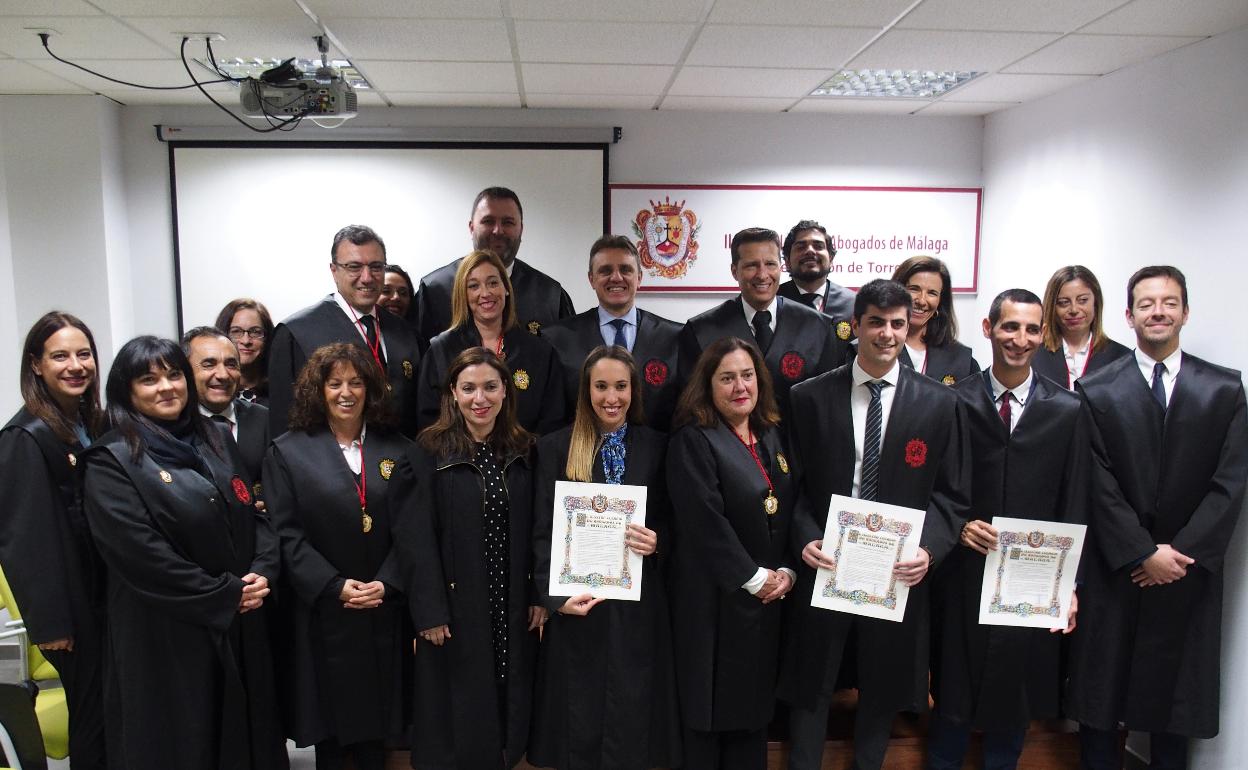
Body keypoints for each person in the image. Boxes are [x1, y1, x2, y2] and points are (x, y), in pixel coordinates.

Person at [780, 279, 968, 770]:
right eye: (876, 323)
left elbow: (952, 495)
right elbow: (792, 489)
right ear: (855, 326)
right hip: (827, 564)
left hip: (896, 573)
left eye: (897, 324)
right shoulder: (809, 397)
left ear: (910, 328)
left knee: (881, 689)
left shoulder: (940, 403)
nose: (887, 334)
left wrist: (929, 549)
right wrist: (804, 538)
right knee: (811, 688)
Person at [1068, 266, 1248, 770]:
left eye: (1169, 302)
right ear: (1129, 316)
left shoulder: (1223, 389)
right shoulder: (1097, 390)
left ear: (1185, 312)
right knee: (1101, 706)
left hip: (1185, 575)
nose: (1158, 311)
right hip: (1118, 570)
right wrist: (1142, 551)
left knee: (1174, 710)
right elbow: (1096, 482)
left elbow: (1229, 483)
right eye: (1146, 304)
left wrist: (1176, 556)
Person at [81, 336, 287, 770]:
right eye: (149, 379)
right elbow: (142, 554)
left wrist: (263, 570)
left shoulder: (212, 436)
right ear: (127, 391)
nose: (167, 387)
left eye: (174, 374)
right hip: (166, 634)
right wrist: (224, 593)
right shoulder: (110, 460)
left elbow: (253, 509)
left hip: (238, 618)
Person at [928, 289, 1089, 769]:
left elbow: (1075, 498)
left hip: (1031, 574)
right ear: (989, 329)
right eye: (1010, 327)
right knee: (953, 697)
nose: (1020, 339)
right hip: (964, 571)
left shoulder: (1067, 410)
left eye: (1031, 329)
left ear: (1043, 335)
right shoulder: (954, 401)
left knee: (1014, 702)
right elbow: (931, 486)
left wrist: (1071, 585)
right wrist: (955, 529)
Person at [529, 346, 682, 770]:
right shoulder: (557, 447)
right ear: (586, 390)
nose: (610, 397)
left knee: (634, 711)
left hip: (640, 602)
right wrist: (554, 598)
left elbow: (678, 521)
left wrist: (659, 541)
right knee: (580, 716)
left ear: (634, 390)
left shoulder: (658, 446)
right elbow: (542, 530)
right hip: (578, 603)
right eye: (601, 386)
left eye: (620, 386)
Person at [394, 347, 544, 769]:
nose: (481, 398)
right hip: (454, 603)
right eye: (469, 388)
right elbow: (414, 537)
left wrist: (537, 593)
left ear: (505, 392)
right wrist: (428, 609)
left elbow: (539, 528)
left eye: (490, 387)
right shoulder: (427, 453)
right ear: (453, 395)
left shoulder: (525, 450)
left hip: (510, 599)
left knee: (505, 693)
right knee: (455, 707)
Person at [263, 343, 410, 770]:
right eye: (335, 383)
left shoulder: (398, 449)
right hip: (324, 611)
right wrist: (333, 586)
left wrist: (389, 580)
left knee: (379, 730)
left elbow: (413, 530)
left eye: (356, 382)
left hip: (384, 606)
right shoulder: (288, 452)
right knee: (331, 732)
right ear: (318, 389)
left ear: (371, 389)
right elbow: (285, 533)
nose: (346, 392)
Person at [666, 337, 796, 769]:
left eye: (747, 375)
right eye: (727, 378)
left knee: (751, 722)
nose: (740, 386)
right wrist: (754, 577)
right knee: (710, 720)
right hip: (714, 605)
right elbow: (704, 523)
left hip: (766, 604)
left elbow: (789, 508)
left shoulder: (772, 434)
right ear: (708, 384)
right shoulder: (693, 439)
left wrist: (786, 571)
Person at [0, 311, 108, 769]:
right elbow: (25, 541)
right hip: (70, 613)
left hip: (102, 597)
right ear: (36, 366)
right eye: (59, 356)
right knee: (93, 719)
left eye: (83, 354)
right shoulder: (25, 436)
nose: (75, 365)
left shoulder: (90, 423)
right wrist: (50, 624)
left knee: (110, 711)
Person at [678, 227, 845, 424]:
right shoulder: (701, 331)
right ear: (734, 271)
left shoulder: (818, 327)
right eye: (751, 266)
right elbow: (693, 409)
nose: (762, 274)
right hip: (728, 449)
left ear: (781, 267)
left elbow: (828, 405)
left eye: (770, 264)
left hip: (800, 449)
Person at [268, 225, 423, 438]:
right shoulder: (296, 333)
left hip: (401, 464)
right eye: (354, 267)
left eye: (376, 267)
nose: (367, 277)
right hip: (328, 466)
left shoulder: (405, 333)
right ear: (334, 271)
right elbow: (283, 426)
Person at [541, 235, 684, 431]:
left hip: (657, 457)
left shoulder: (675, 337)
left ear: (639, 278)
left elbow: (683, 412)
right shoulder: (558, 338)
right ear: (591, 279)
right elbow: (551, 417)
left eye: (625, 269)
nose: (616, 277)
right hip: (582, 456)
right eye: (605, 270)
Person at [416, 249, 565, 434]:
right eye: (473, 286)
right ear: (463, 294)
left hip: (526, 459)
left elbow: (553, 420)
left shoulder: (538, 352)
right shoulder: (441, 350)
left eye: (493, 283)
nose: (485, 293)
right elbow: (428, 420)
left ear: (507, 289)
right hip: (458, 458)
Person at [413, 186, 575, 344]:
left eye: (508, 222)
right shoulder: (434, 290)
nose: (498, 230)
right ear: (471, 228)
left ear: (521, 229)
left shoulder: (550, 295)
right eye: (488, 221)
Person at [183, 326, 270, 494]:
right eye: (209, 364)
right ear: (185, 372)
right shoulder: (176, 424)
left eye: (231, 365)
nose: (223, 375)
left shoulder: (264, 419)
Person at [1033, 265, 1131, 389]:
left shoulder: (1121, 358)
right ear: (1052, 307)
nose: (1074, 309)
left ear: (1096, 303)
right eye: (1064, 302)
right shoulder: (1034, 355)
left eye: (1083, 300)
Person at [891, 256, 979, 385]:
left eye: (932, 293)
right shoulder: (873, 348)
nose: (921, 300)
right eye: (914, 289)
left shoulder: (961, 360)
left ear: (940, 302)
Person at [777, 219, 856, 341]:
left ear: (830, 259)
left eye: (818, 246)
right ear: (787, 261)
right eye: (801, 247)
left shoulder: (853, 305)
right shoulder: (773, 302)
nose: (810, 251)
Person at [216, 298, 275, 404]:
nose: (246, 341)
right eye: (236, 332)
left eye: (256, 332)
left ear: (267, 338)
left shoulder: (282, 391)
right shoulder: (211, 392)